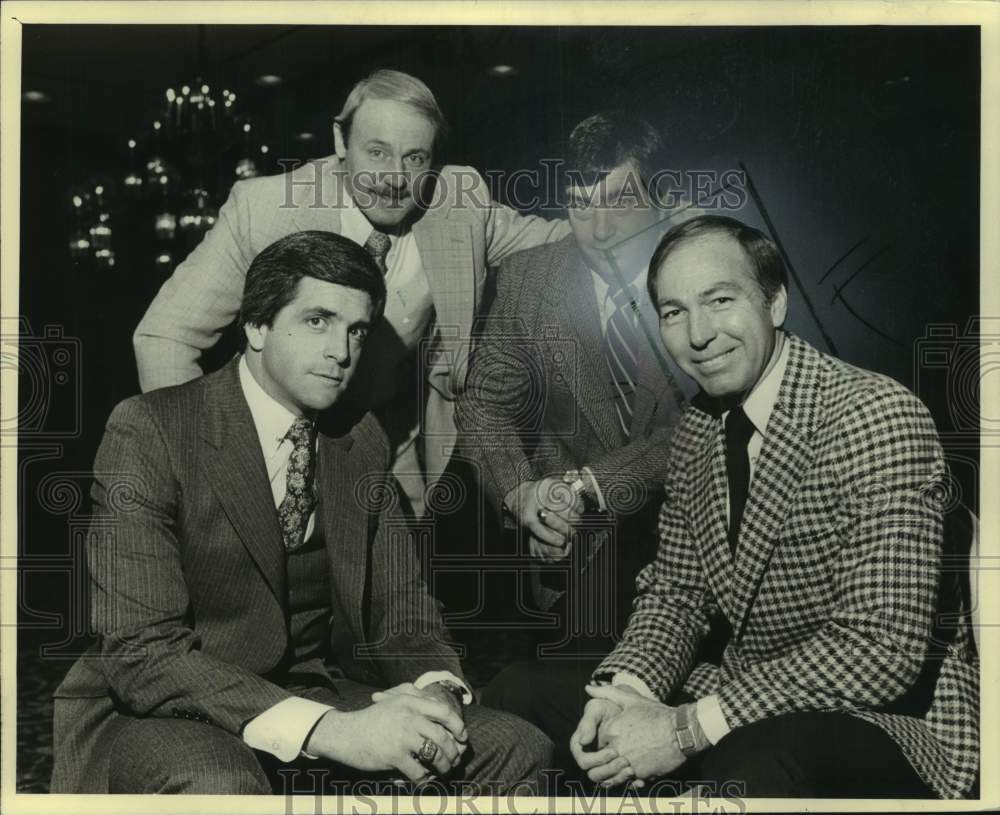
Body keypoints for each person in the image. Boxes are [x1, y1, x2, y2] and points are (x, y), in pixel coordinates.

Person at [50, 231, 551, 795]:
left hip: (320, 689)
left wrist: (436, 689)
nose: (342, 351)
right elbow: (143, 652)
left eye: (356, 329)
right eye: (318, 320)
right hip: (169, 707)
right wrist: (333, 731)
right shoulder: (151, 431)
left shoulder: (360, 439)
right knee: (222, 784)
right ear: (257, 326)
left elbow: (401, 613)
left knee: (515, 748)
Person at [504, 215, 978, 798]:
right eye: (674, 312)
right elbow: (676, 595)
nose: (698, 334)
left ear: (775, 302)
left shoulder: (875, 416)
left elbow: (879, 650)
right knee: (518, 693)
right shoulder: (697, 430)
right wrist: (624, 692)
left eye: (720, 300)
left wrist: (682, 730)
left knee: (752, 764)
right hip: (743, 690)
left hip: (887, 717)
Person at [133, 68, 568, 518]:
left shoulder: (458, 204)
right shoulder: (265, 211)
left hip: (395, 446)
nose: (394, 178)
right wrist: (209, 458)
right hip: (277, 439)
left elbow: (567, 240)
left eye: (414, 158)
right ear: (341, 142)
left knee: (403, 575)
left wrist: (637, 220)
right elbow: (164, 336)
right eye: (377, 152)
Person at [457, 111, 690, 765]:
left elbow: (708, 421)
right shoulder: (531, 278)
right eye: (582, 204)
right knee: (564, 730)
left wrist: (588, 486)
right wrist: (522, 493)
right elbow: (482, 405)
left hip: (694, 554)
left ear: (664, 201)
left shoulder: (707, 266)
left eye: (620, 201)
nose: (600, 228)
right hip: (574, 570)